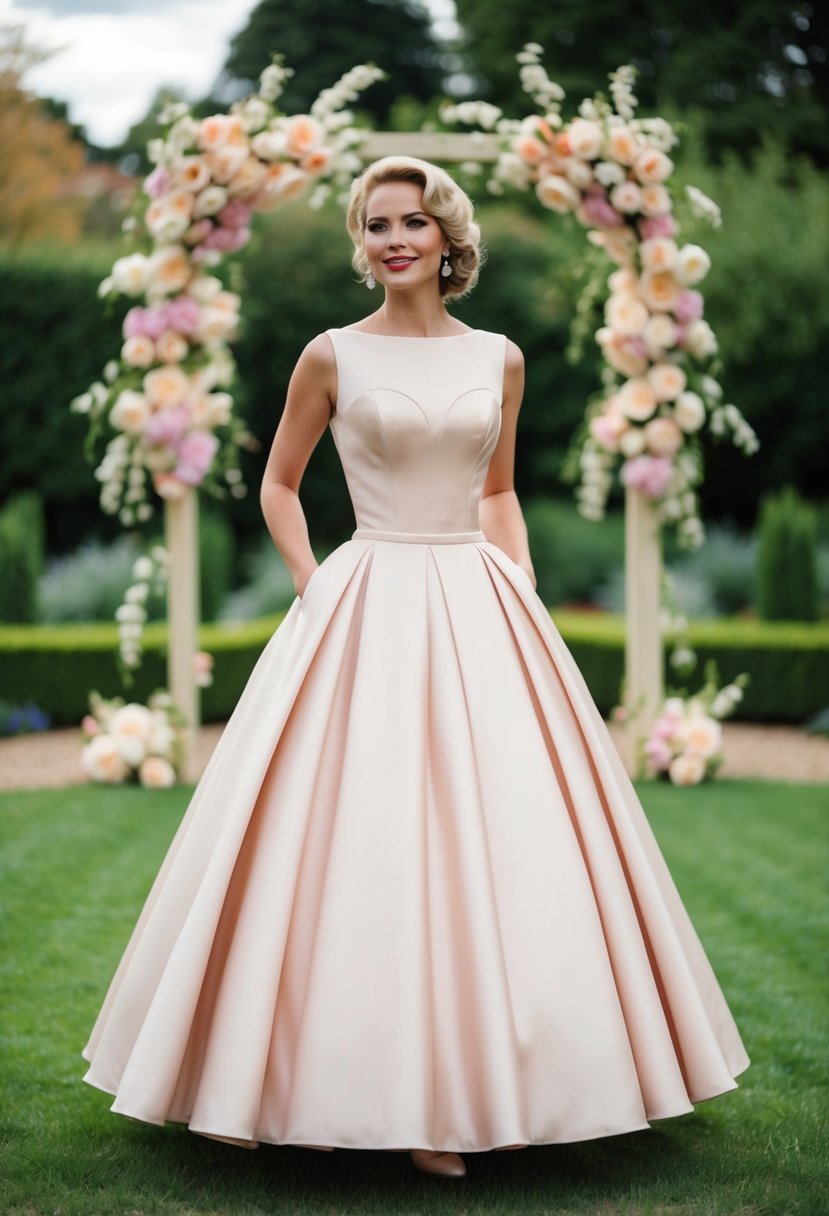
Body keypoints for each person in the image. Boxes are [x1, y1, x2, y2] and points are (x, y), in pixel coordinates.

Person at [82, 156, 750, 1180]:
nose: (394, 237)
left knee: (509, 835)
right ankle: (328, 1084)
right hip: (364, 598)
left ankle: (498, 1087)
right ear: (366, 243)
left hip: (478, 596)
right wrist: (312, 584)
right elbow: (278, 485)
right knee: (359, 840)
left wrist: (519, 585)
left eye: (413, 221)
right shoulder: (329, 356)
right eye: (376, 223)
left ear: (448, 238)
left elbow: (497, 492)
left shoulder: (499, 358)